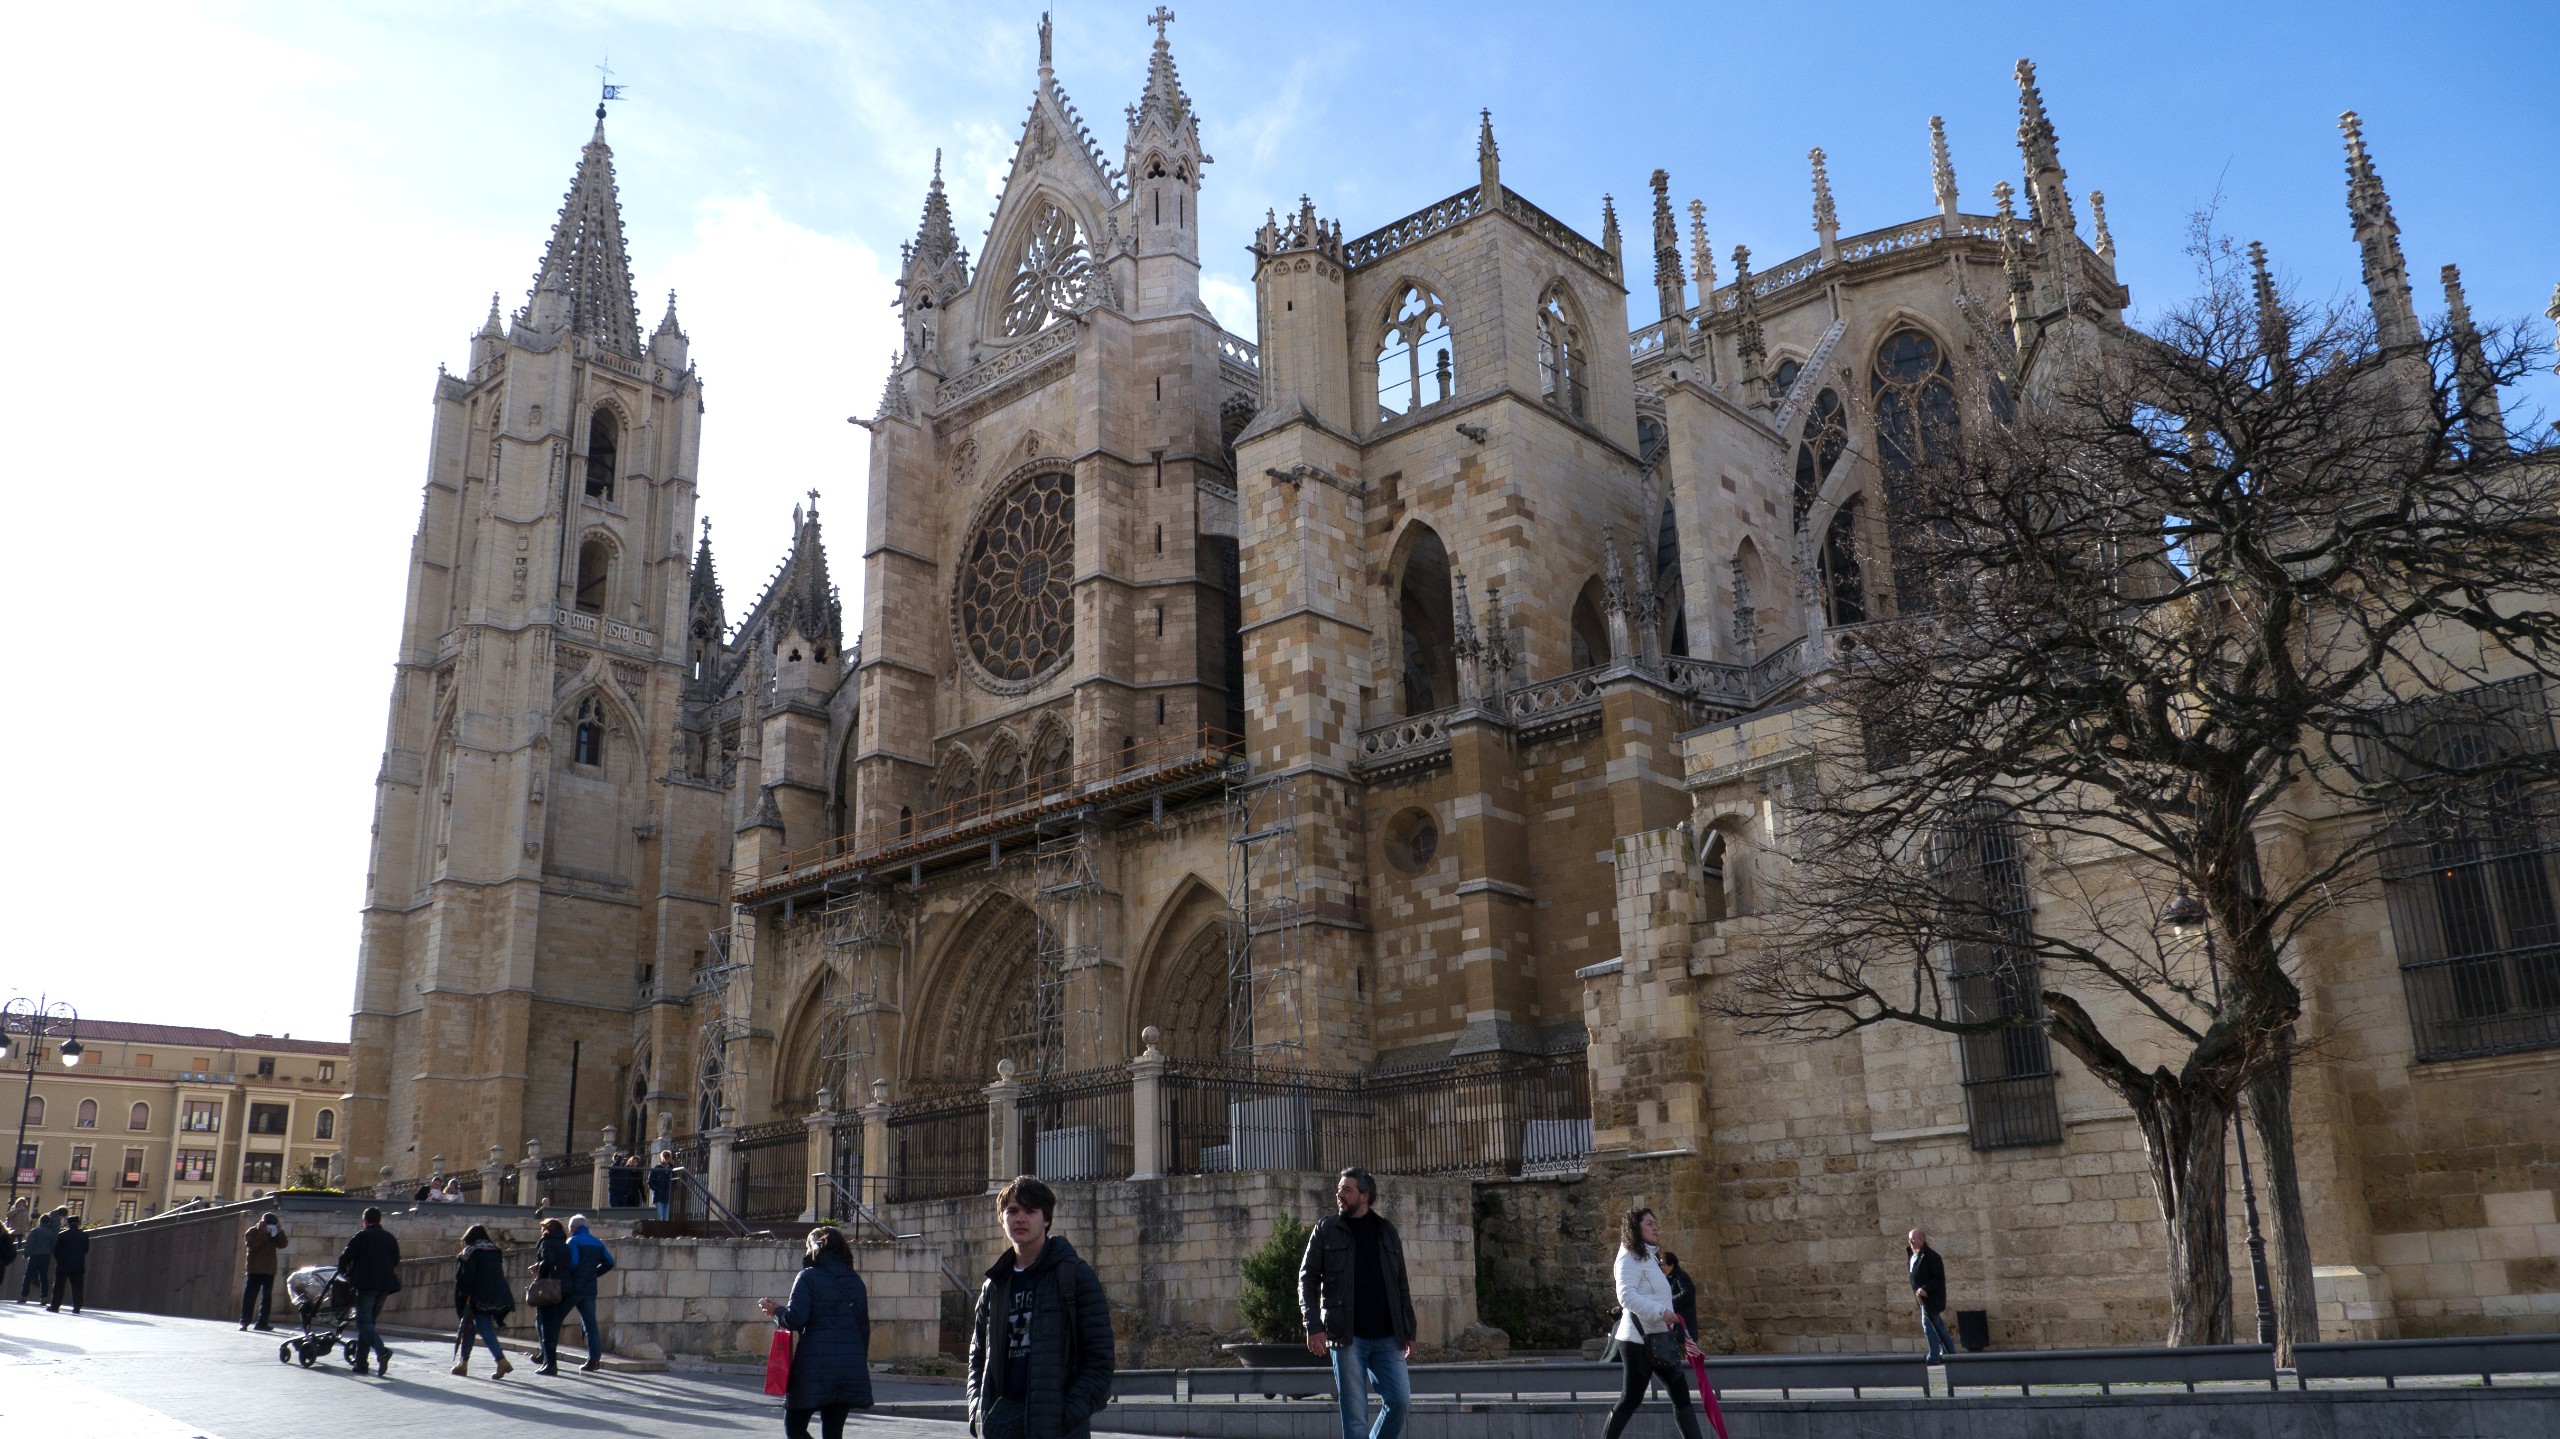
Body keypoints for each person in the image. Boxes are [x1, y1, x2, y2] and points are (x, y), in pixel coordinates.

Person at [966, 1174, 1113, 1439]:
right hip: (1003, 1425)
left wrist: (1065, 1417)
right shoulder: (994, 1286)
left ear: (1046, 1219)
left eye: (1030, 1210)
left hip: (1057, 1430)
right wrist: (978, 1410)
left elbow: (1100, 1360)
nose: (1020, 1218)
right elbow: (977, 1358)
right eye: (1012, 1211)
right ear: (1002, 1218)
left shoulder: (1075, 1276)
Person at [1298, 1167, 1418, 1439]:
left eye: (1346, 1189)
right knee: (1355, 1419)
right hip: (1347, 1337)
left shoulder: (1386, 1231)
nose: (1339, 1194)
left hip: (1388, 1337)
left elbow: (1401, 1284)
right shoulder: (1326, 1229)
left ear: (1364, 1196)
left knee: (1400, 1401)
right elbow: (1307, 1279)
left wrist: (1409, 1330)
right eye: (1339, 1189)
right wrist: (1313, 1325)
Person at [759, 1223, 875, 1439]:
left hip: (814, 1366)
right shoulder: (855, 1282)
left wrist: (776, 1311)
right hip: (849, 1367)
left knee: (795, 1427)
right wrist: (856, 1361)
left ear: (813, 1249)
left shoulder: (808, 1277)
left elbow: (795, 1319)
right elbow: (863, 1329)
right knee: (833, 1433)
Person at [1604, 1207, 1705, 1439]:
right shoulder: (1628, 1258)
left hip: (1660, 1338)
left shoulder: (1648, 1257)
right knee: (1631, 1398)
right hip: (1638, 1340)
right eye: (1649, 1223)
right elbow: (1626, 1296)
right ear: (1635, 1227)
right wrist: (1660, 1312)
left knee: (1681, 1397)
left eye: (1655, 1223)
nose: (1656, 1228)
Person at [336, 1206, 402, 1375]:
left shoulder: (361, 1236)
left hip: (366, 1285)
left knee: (362, 1323)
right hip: (385, 1286)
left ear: (365, 1221)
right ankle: (361, 1363)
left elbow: (344, 1257)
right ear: (379, 1220)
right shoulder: (389, 1238)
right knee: (368, 1324)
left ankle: (382, 1351)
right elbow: (396, 1260)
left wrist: (344, 1272)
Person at [451, 1222, 515, 1378]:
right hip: (496, 1295)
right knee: (469, 1328)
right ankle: (463, 1363)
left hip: (476, 1297)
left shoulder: (470, 1252)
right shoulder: (494, 1250)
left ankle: (501, 1361)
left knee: (482, 1327)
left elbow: (465, 1279)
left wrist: (462, 1298)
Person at [559, 1213, 616, 1371]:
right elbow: (610, 1262)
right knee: (590, 1324)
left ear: (573, 1227)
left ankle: (546, 1354)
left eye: (569, 1227)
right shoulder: (597, 1242)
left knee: (555, 1319)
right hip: (590, 1288)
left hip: (574, 1287)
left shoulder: (573, 1241)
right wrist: (594, 1273)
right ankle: (594, 1360)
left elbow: (573, 1262)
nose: (569, 1230)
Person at [531, 1217, 574, 1375]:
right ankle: (548, 1361)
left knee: (546, 1326)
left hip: (551, 1288)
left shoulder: (547, 1242)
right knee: (553, 1325)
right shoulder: (564, 1244)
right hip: (566, 1287)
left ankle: (550, 1364)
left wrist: (539, 1275)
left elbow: (548, 1261)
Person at [1908, 1229, 1952, 1364]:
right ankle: (1950, 1353)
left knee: (1928, 1325)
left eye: (1913, 1239)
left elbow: (1938, 1278)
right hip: (1922, 1298)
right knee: (1937, 1326)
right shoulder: (1914, 1255)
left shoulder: (1931, 1256)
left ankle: (1934, 1356)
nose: (1910, 1242)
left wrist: (1925, 1288)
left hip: (1931, 1297)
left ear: (1921, 1240)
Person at [242, 1211, 290, 1330]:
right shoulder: (252, 1231)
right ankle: (244, 1321)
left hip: (269, 1270)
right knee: (250, 1296)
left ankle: (262, 1323)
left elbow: (283, 1244)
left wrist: (279, 1231)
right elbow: (252, 1246)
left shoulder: (274, 1233)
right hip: (254, 1269)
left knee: (267, 1298)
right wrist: (263, 1232)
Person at [47, 1213, 90, 1313]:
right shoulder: (84, 1235)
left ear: (68, 1224)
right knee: (77, 1287)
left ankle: (55, 1306)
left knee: (59, 1286)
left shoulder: (62, 1235)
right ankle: (77, 1307)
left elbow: (56, 1250)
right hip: (78, 1264)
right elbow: (85, 1250)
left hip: (63, 1264)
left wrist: (59, 1260)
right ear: (78, 1223)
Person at [18, 1208, 58, 1304]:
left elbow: (29, 1243)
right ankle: (44, 1297)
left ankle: (24, 1296)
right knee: (43, 1277)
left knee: (28, 1276)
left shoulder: (35, 1231)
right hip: (45, 1256)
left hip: (35, 1255)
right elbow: (53, 1245)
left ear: (40, 1221)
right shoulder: (51, 1233)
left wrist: (26, 1253)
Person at [1659, 1249, 1699, 1343]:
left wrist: (1669, 1302)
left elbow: (1687, 1293)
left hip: (1684, 1322)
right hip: (1676, 1324)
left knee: (1686, 1348)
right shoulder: (1668, 1278)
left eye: (1664, 1265)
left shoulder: (1680, 1276)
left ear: (1672, 1264)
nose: (1662, 1267)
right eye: (1661, 1265)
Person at [648, 1150, 675, 1221]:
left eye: (668, 1157)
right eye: (664, 1156)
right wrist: (657, 1190)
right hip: (658, 1196)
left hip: (667, 1196)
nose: (666, 1158)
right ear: (661, 1157)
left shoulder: (671, 1169)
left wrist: (672, 1189)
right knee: (659, 1216)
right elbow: (650, 1182)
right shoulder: (656, 1168)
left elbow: (675, 1181)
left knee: (666, 1217)